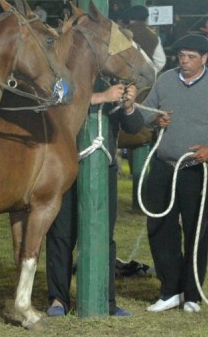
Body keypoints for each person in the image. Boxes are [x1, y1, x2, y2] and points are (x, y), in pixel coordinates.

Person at [138, 34, 208, 313]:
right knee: (160, 227)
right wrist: (156, 118)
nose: (184, 62)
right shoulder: (165, 80)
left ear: (204, 58)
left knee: (196, 230)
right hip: (163, 165)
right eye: (181, 56)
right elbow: (147, 112)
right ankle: (169, 290)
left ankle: (192, 295)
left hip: (197, 168)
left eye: (191, 57)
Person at [45, 83, 156, 318]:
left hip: (103, 170)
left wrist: (128, 106)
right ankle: (58, 299)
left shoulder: (113, 80)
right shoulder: (67, 71)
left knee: (105, 236)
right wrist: (99, 97)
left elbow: (135, 127)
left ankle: (107, 301)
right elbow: (53, 100)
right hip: (65, 168)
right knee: (61, 233)